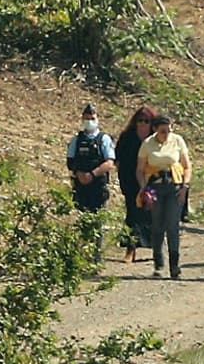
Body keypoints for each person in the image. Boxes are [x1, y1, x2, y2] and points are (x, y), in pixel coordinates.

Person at [136, 115, 192, 279]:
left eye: (169, 130)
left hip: (174, 186)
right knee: (157, 224)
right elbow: (140, 169)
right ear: (155, 129)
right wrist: (143, 188)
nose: (166, 134)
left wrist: (185, 186)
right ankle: (158, 263)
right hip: (155, 187)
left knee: (173, 225)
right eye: (162, 131)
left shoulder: (177, 141)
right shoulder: (147, 144)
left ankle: (175, 265)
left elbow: (187, 166)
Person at [66, 103, 116, 262]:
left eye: (92, 118)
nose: (89, 121)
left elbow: (109, 162)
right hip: (81, 187)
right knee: (82, 221)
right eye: (87, 118)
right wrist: (79, 174)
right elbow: (70, 161)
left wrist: (92, 175)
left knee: (97, 222)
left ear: (97, 119)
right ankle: (82, 257)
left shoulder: (104, 139)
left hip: (98, 187)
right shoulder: (76, 139)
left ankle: (96, 258)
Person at [115, 106, 157, 263]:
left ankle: (156, 249)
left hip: (152, 181)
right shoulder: (127, 137)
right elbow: (118, 158)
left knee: (152, 216)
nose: (143, 124)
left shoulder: (155, 138)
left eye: (146, 121)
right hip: (130, 181)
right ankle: (130, 249)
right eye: (140, 120)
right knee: (132, 215)